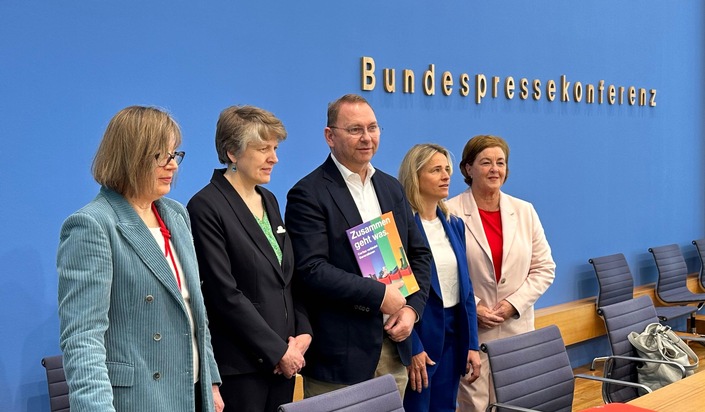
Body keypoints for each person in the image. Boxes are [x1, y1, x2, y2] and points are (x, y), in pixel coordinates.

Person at [57, 106, 224, 411]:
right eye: (160, 156)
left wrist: (210, 381)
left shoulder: (176, 214)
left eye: (174, 154)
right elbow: (83, 338)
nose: (172, 165)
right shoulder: (93, 224)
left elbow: (194, 311)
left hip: (192, 393)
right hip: (139, 398)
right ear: (130, 157)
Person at [285, 94, 432, 398]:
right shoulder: (308, 193)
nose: (367, 137)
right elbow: (311, 269)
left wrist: (412, 311)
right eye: (355, 129)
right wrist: (379, 295)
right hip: (341, 358)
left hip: (393, 347)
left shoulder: (391, 187)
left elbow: (419, 254)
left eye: (372, 128)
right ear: (330, 136)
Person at [187, 106, 312, 412]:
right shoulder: (206, 206)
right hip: (242, 369)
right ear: (232, 152)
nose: (274, 158)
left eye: (275, 148)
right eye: (263, 149)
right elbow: (224, 294)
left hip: (284, 361)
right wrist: (277, 351)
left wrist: (303, 333)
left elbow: (287, 278)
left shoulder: (269, 200)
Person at [445, 134, 556, 412]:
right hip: (473, 331)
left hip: (516, 328)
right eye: (486, 162)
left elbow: (544, 268)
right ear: (468, 168)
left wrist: (512, 305)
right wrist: (475, 307)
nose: (494, 169)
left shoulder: (524, 211)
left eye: (500, 162)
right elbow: (444, 273)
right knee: (474, 405)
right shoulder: (449, 212)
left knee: (516, 403)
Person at [397, 143, 481, 412]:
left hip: (454, 334)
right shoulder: (398, 227)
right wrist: (412, 346)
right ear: (415, 176)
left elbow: (466, 289)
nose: (446, 176)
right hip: (420, 333)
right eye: (436, 170)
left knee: (446, 407)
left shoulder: (454, 223)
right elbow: (395, 292)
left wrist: (472, 344)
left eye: (447, 170)